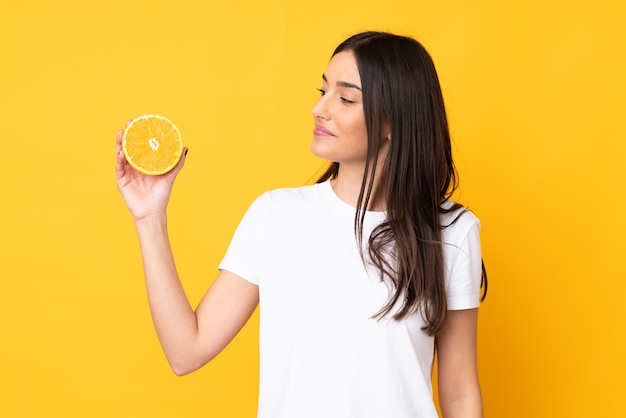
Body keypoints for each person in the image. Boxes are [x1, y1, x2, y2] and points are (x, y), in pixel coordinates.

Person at [116, 31, 486, 418]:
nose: (319, 109)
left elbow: (460, 393)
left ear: (396, 120)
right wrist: (149, 217)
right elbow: (185, 351)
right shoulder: (276, 215)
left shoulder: (452, 231)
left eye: (345, 98)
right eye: (322, 90)